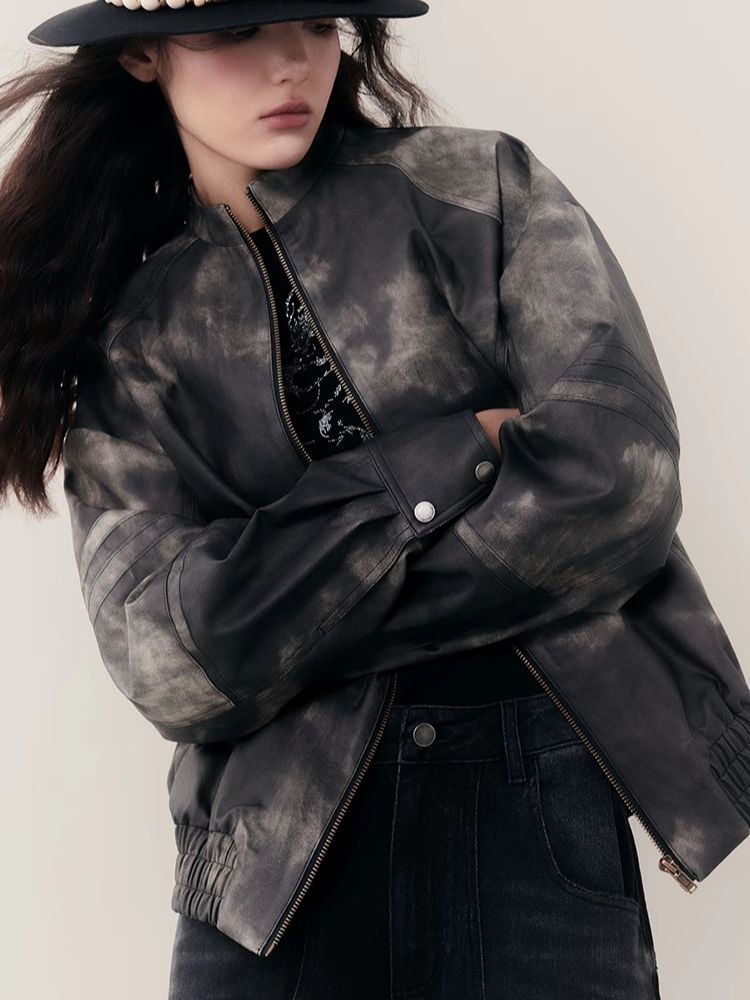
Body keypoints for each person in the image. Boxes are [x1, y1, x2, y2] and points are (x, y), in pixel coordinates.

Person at [2, 1, 748, 997]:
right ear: (142, 51)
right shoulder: (136, 338)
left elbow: (620, 484)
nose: (291, 62)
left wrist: (283, 618)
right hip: (275, 857)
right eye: (235, 31)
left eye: (318, 23)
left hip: (534, 801)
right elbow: (169, 665)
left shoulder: (482, 190)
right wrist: (444, 464)